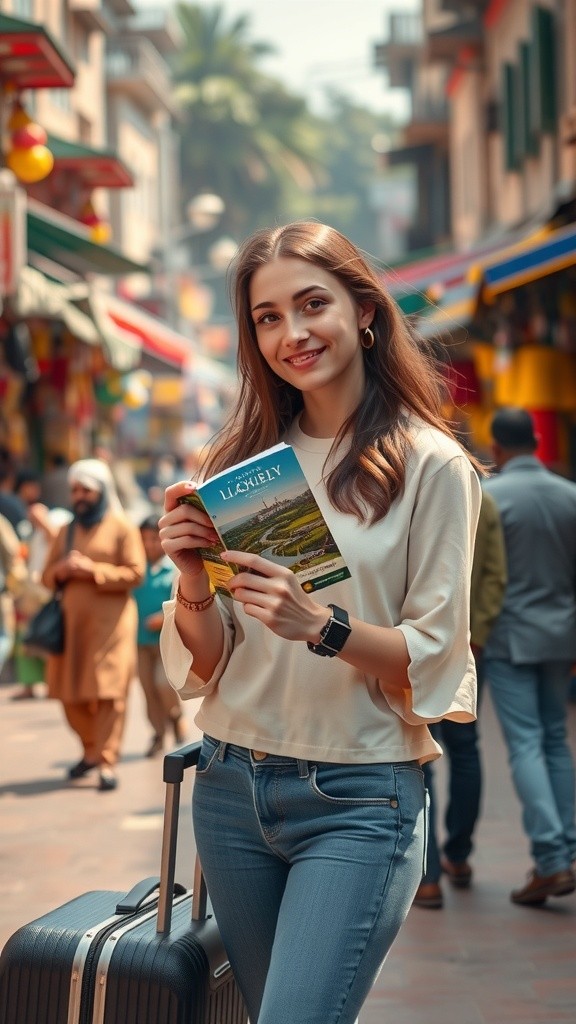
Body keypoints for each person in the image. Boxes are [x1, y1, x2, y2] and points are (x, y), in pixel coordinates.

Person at [158, 221, 482, 1024]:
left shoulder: (429, 464)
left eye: (312, 305)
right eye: (267, 317)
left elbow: (434, 661)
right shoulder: (243, 463)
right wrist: (194, 580)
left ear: (364, 311)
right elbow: (214, 658)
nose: (292, 333)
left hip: (358, 796)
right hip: (230, 789)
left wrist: (324, 625)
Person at [482, 407, 576, 905]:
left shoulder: (490, 498)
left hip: (511, 638)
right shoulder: (570, 496)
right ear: (538, 440)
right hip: (562, 637)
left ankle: (552, 857)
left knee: (526, 745)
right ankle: (568, 849)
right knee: (555, 739)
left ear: (495, 448)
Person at [414, 488, 507, 907]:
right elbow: (494, 575)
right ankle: (457, 857)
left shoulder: (415, 488)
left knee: (423, 756)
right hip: (467, 645)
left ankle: (429, 875)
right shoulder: (481, 497)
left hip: (418, 646)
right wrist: (479, 636)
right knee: (465, 750)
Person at [41, 458, 145, 791]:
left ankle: (107, 762)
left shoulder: (122, 526)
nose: (79, 495)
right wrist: (61, 571)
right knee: (69, 694)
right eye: (74, 490)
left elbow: (135, 573)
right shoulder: (65, 531)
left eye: (85, 489)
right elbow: (45, 577)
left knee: (109, 694)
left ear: (100, 491)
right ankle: (91, 751)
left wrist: (91, 570)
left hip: (111, 628)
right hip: (72, 630)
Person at [134, 513, 188, 757]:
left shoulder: (174, 569)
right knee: (148, 690)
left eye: (153, 539)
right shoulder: (135, 568)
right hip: (139, 641)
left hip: (165, 641)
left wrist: (161, 616)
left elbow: (180, 602)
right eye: (143, 539)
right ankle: (158, 733)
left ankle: (175, 715)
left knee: (163, 685)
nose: (149, 544)